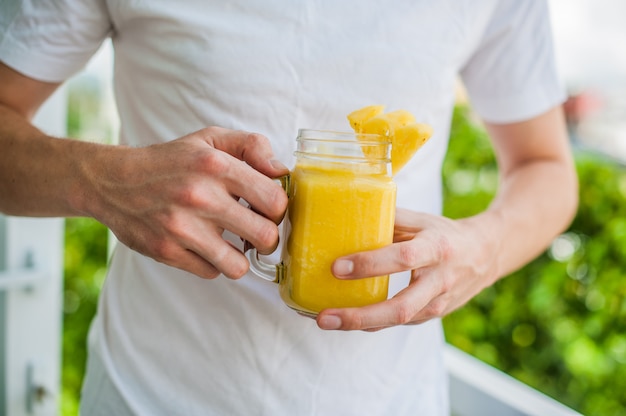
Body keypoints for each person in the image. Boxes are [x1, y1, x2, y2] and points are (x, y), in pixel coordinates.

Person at [0, 1, 578, 415]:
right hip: (147, 395)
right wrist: (103, 179)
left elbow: (544, 165)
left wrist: (484, 246)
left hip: (391, 399)